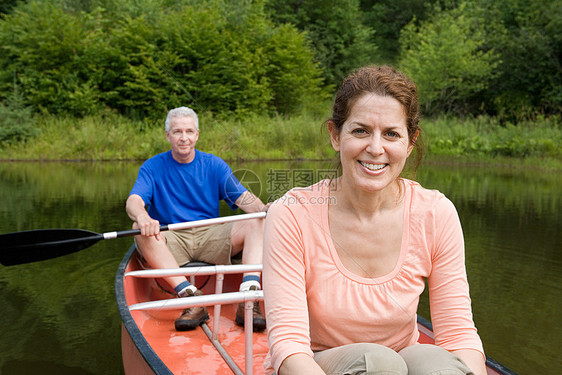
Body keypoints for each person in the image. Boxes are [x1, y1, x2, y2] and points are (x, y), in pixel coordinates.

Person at [262, 66, 487, 375]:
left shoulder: (436, 213)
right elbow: (289, 350)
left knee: (442, 367)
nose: (376, 148)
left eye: (391, 134)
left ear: (409, 143)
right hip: (313, 362)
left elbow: (459, 335)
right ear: (335, 135)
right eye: (361, 130)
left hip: (404, 360)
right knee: (380, 365)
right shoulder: (291, 213)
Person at [126, 106, 268, 332]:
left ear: (197, 134)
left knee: (258, 218)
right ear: (168, 136)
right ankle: (190, 296)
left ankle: (249, 298)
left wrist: (265, 208)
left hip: (210, 236)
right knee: (137, 228)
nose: (184, 138)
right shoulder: (152, 167)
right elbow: (133, 201)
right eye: (177, 132)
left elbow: (245, 199)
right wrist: (143, 216)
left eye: (189, 132)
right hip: (172, 240)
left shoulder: (214, 165)